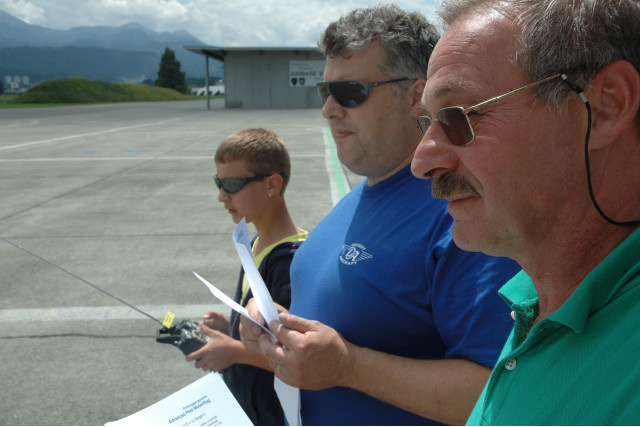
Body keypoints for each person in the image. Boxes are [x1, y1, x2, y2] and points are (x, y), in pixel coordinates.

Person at [239, 4, 522, 426]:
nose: (329, 110)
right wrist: (274, 320)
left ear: (415, 97)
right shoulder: (359, 197)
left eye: (350, 93)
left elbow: (498, 392)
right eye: (325, 92)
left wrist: (348, 366)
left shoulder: (461, 212)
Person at [410, 0, 640, 425]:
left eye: (459, 116)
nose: (422, 162)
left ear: (605, 106)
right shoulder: (537, 301)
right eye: (428, 124)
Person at [185, 128, 308, 426]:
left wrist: (233, 352)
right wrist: (231, 327)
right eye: (218, 182)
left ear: (271, 185)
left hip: (275, 410)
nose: (220, 196)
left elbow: (296, 355)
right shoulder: (254, 242)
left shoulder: (290, 262)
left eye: (231, 184)